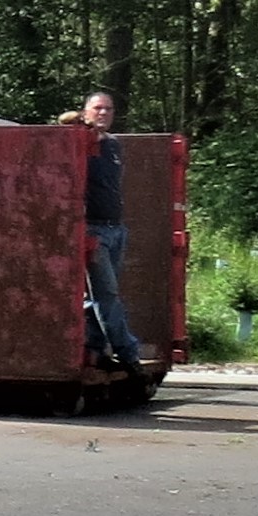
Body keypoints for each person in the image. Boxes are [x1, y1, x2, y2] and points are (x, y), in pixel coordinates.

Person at [78, 91, 148, 369]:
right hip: (92, 230)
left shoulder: (114, 146)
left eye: (108, 109)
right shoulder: (78, 143)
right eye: (97, 108)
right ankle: (127, 351)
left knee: (98, 295)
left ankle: (94, 347)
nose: (103, 113)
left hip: (116, 228)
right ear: (86, 112)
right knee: (107, 293)